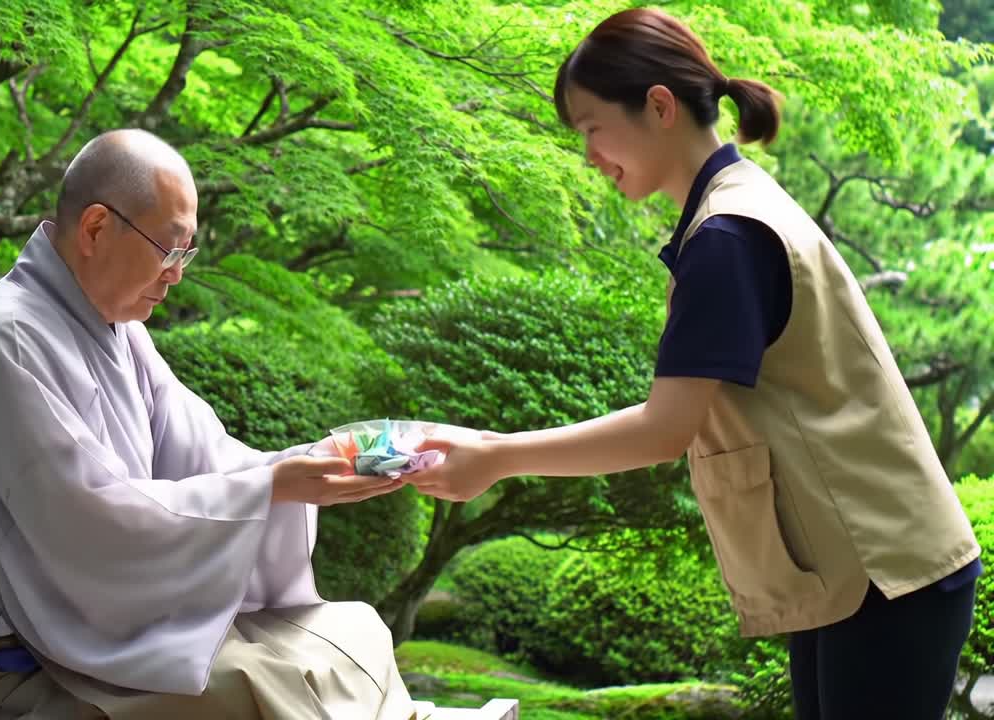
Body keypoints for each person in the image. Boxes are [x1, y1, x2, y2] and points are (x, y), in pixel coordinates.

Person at [407, 8, 981, 719]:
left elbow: (663, 429)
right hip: (868, 569)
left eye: (590, 129)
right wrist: (493, 450)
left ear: (657, 106)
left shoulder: (727, 236)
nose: (587, 156)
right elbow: (675, 413)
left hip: (882, 576)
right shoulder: (735, 208)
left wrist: (495, 457)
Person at [0, 129, 425, 720]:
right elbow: (86, 521)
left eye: (186, 254)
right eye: (170, 249)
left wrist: (318, 462)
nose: (176, 274)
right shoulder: (4, 336)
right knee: (280, 684)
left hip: (108, 634)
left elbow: (209, 456)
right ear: (96, 229)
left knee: (354, 634)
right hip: (36, 664)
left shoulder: (121, 332)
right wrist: (275, 485)